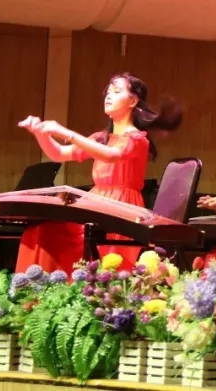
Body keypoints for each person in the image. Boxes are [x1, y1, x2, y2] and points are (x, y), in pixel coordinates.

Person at [15, 73, 182, 273]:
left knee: (103, 264)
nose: (108, 96)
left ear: (133, 101)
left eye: (116, 91)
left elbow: (111, 155)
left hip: (121, 210)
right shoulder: (101, 138)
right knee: (40, 232)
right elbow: (58, 153)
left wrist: (66, 133)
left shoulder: (137, 139)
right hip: (95, 204)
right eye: (108, 92)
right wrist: (40, 133)